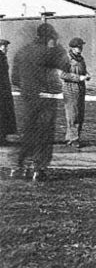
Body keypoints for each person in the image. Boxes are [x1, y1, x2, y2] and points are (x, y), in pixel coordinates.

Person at [10, 23, 69, 181]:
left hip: (28, 98)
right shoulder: (50, 52)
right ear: (49, 37)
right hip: (46, 98)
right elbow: (66, 66)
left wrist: (27, 88)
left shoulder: (22, 52)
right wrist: (58, 48)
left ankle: (19, 165)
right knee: (44, 133)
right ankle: (39, 167)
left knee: (28, 131)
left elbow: (14, 79)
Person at [61, 37, 90, 148]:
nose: (80, 48)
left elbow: (84, 70)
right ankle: (73, 139)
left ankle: (72, 137)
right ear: (72, 47)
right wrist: (78, 77)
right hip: (70, 88)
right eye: (78, 47)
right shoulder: (66, 59)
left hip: (80, 88)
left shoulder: (81, 59)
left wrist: (87, 75)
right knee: (72, 114)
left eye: (81, 46)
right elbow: (63, 75)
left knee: (80, 114)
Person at [0, 39, 16, 144]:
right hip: (1, 90)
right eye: (4, 46)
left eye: (6, 47)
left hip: (4, 90)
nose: (6, 49)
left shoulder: (3, 58)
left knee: (4, 113)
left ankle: (2, 136)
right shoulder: (1, 58)